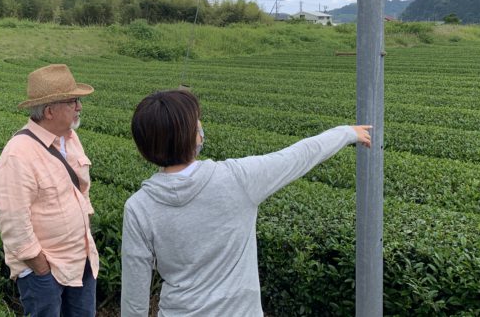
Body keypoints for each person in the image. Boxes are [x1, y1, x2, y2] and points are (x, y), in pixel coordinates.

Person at [121, 89, 372, 317]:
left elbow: (134, 293)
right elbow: (298, 156)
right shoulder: (237, 178)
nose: (200, 126)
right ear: (191, 136)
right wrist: (346, 133)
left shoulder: (139, 206)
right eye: (196, 122)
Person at [0, 64, 99, 317]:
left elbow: (80, 190)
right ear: (50, 111)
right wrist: (41, 268)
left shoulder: (71, 139)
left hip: (81, 259)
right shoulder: (18, 154)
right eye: (73, 102)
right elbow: (14, 224)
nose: (79, 108)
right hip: (45, 272)